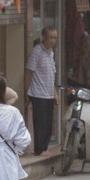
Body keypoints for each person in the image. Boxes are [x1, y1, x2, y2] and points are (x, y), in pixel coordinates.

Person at [24, 27, 58, 155]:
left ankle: (44, 147)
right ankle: (39, 149)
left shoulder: (51, 53)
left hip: (48, 93)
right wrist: (27, 92)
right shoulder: (37, 51)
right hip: (38, 93)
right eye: (51, 37)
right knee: (40, 123)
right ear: (44, 37)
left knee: (48, 123)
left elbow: (51, 75)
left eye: (55, 38)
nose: (53, 40)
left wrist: (54, 93)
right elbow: (28, 72)